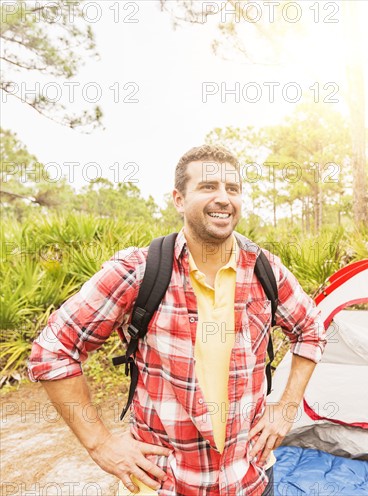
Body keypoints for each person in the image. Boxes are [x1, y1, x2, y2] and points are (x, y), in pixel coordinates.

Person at [27, 145, 327, 496]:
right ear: (179, 199)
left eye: (232, 189)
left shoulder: (266, 270)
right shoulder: (139, 271)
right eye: (208, 186)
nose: (223, 198)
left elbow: (311, 329)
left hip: (251, 480)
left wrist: (286, 407)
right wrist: (100, 444)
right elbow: (53, 350)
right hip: (165, 484)